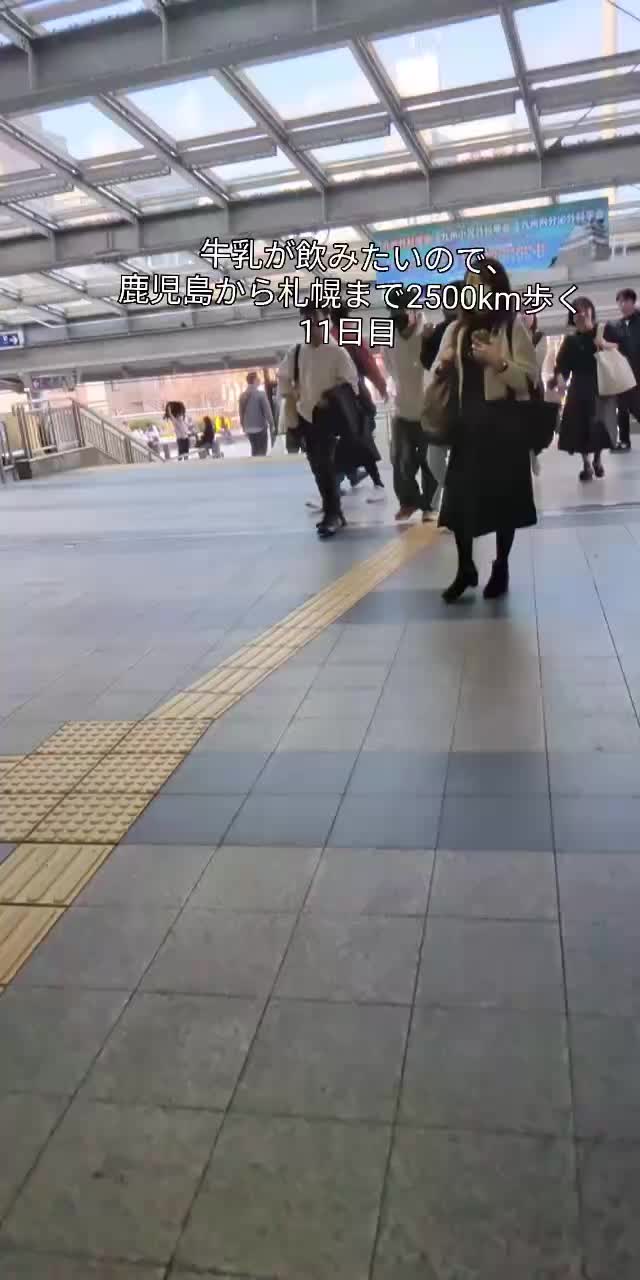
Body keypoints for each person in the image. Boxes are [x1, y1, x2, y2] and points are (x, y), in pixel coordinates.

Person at [434, 257, 539, 602]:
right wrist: (443, 367)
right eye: (470, 284)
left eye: (481, 284)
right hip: (467, 428)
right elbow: (437, 371)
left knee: (504, 503)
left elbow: (529, 379)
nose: (474, 290)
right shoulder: (456, 329)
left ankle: (501, 566)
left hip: (504, 427)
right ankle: (465, 567)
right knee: (458, 502)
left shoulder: (511, 327)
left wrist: (498, 362)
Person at [278, 304, 360, 537]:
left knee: (326, 466)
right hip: (306, 417)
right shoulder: (296, 352)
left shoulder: (337, 352)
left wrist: (330, 396)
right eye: (307, 321)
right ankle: (333, 512)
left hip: (330, 417)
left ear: (326, 321)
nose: (312, 327)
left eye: (316, 320)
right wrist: (290, 396)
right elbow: (283, 377)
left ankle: (332, 513)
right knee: (318, 468)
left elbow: (352, 384)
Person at [551, 297, 618, 483]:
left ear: (591, 311)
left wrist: (602, 343)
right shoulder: (570, 340)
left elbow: (619, 348)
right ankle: (586, 464)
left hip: (600, 386)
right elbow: (561, 365)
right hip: (578, 388)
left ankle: (597, 459)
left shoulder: (604, 331)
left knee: (599, 426)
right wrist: (560, 379)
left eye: (585, 309)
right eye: (577, 311)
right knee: (579, 427)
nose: (581, 313)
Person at [385, 287, 438, 521]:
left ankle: (429, 506)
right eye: (394, 316)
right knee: (399, 460)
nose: (399, 322)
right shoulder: (390, 337)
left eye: (402, 315)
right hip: (402, 410)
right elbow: (390, 368)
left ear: (415, 311)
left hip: (428, 411)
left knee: (429, 462)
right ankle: (408, 501)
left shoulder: (430, 334)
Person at [326, 301, 387, 498]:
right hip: (354, 396)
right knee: (361, 438)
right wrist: (381, 386)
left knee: (346, 440)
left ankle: (348, 478)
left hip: (332, 399)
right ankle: (373, 482)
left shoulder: (327, 337)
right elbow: (368, 363)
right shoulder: (351, 334)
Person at [609, 287, 640, 450]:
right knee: (621, 408)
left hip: (638, 372)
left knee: (636, 407)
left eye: (626, 301)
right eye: (619, 302)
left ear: (633, 302)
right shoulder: (616, 326)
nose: (622, 305)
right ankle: (624, 440)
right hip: (622, 374)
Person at [522, 312, 548, 476]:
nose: (524, 316)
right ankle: (528, 455)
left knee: (534, 425)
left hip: (534, 388)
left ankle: (533, 454)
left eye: (528, 312)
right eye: (520, 312)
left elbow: (536, 362)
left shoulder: (539, 336)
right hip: (517, 386)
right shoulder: (509, 336)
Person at [238, 371, 274, 456]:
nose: (259, 380)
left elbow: (240, 412)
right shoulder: (261, 394)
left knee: (254, 449)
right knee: (262, 450)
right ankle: (260, 463)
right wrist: (272, 424)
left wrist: (243, 426)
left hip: (248, 428)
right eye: (258, 379)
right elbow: (267, 411)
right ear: (254, 380)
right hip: (260, 427)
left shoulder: (242, 396)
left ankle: (255, 462)